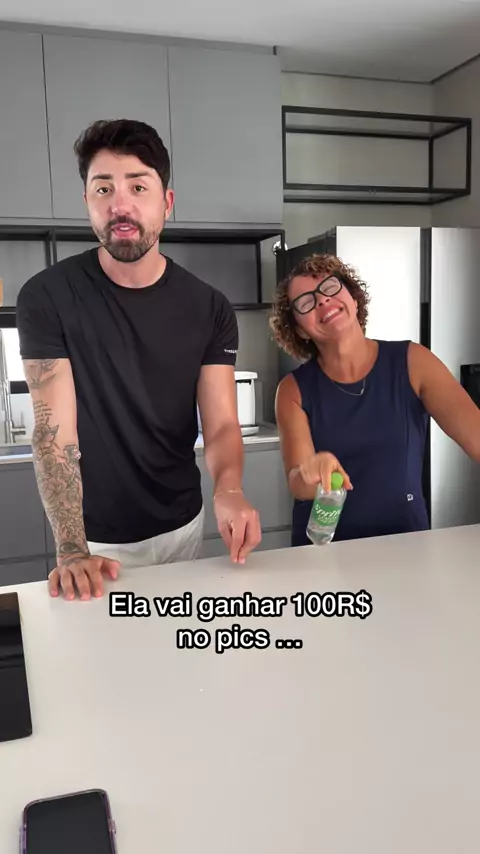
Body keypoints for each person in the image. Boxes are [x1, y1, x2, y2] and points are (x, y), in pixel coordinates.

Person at [16, 118, 261, 601]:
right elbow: (53, 433)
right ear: (87, 201)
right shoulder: (47, 297)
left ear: (166, 202)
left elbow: (220, 426)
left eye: (138, 186)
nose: (120, 204)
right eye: (103, 188)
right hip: (95, 542)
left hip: (183, 525)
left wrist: (229, 490)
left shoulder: (209, 307)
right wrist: (71, 549)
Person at [269, 253, 480, 546]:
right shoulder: (292, 390)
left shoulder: (414, 361)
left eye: (330, 287)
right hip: (323, 551)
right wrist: (311, 470)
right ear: (300, 330)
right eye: (306, 302)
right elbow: (298, 482)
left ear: (354, 298)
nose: (322, 300)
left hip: (405, 546)